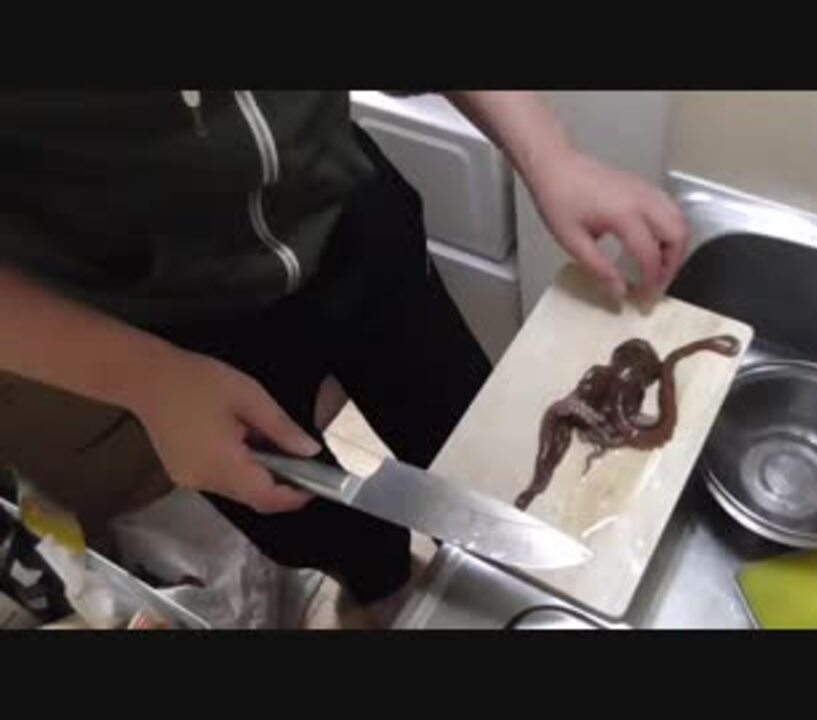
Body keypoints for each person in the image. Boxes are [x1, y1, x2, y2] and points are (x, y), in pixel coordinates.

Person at [0, 91, 688, 627]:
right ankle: (383, 589)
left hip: (353, 218)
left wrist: (550, 153)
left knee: (471, 436)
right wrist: (143, 379)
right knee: (302, 519)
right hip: (170, 323)